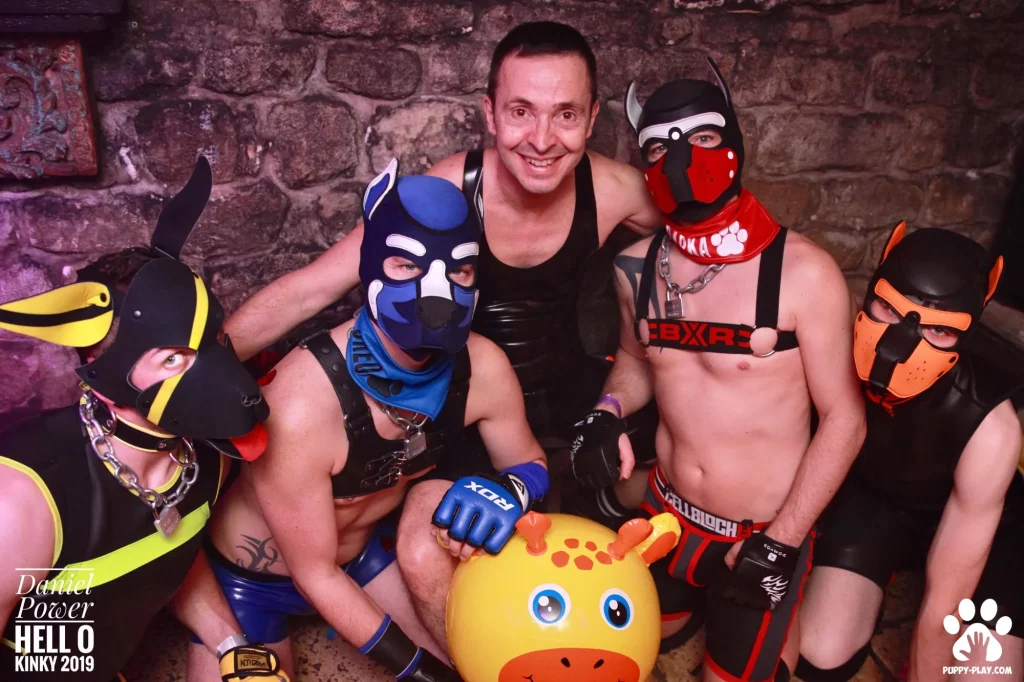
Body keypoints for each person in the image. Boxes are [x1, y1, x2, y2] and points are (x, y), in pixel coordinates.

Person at [222, 21, 663, 455]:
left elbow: (699, 241)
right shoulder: (449, 191)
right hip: (461, 405)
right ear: (491, 114)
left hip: (573, 401)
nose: (542, 140)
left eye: (566, 114)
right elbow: (310, 291)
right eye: (521, 112)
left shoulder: (615, 190)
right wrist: (193, 369)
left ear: (591, 119)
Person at [187, 159, 548, 682]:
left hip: (361, 562)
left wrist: (512, 489)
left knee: (484, 659)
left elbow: (529, 460)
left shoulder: (484, 368)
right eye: (406, 265)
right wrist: (418, 671)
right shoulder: (301, 403)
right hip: (255, 580)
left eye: (460, 271)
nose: (437, 294)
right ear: (371, 266)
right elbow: (314, 574)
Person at [567, 60, 867, 682]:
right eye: (659, 148)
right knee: (616, 647)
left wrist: (783, 542)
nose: (681, 159)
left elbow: (846, 419)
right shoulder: (634, 268)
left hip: (758, 534)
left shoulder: (803, 274)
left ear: (733, 142)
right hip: (666, 513)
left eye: (702, 137)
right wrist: (606, 411)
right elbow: (636, 361)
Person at [0, 157, 286, 682]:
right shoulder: (21, 504)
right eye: (174, 358)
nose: (214, 374)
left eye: (212, 342)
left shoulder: (205, 457)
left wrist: (232, 647)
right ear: (104, 374)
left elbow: (165, 553)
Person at [797, 225, 1023, 682]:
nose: (898, 346)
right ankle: (886, 575)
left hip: (990, 530)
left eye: (939, 329)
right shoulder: (830, 354)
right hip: (881, 500)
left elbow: (947, 599)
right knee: (819, 650)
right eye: (888, 307)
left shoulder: (991, 429)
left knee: (983, 676)